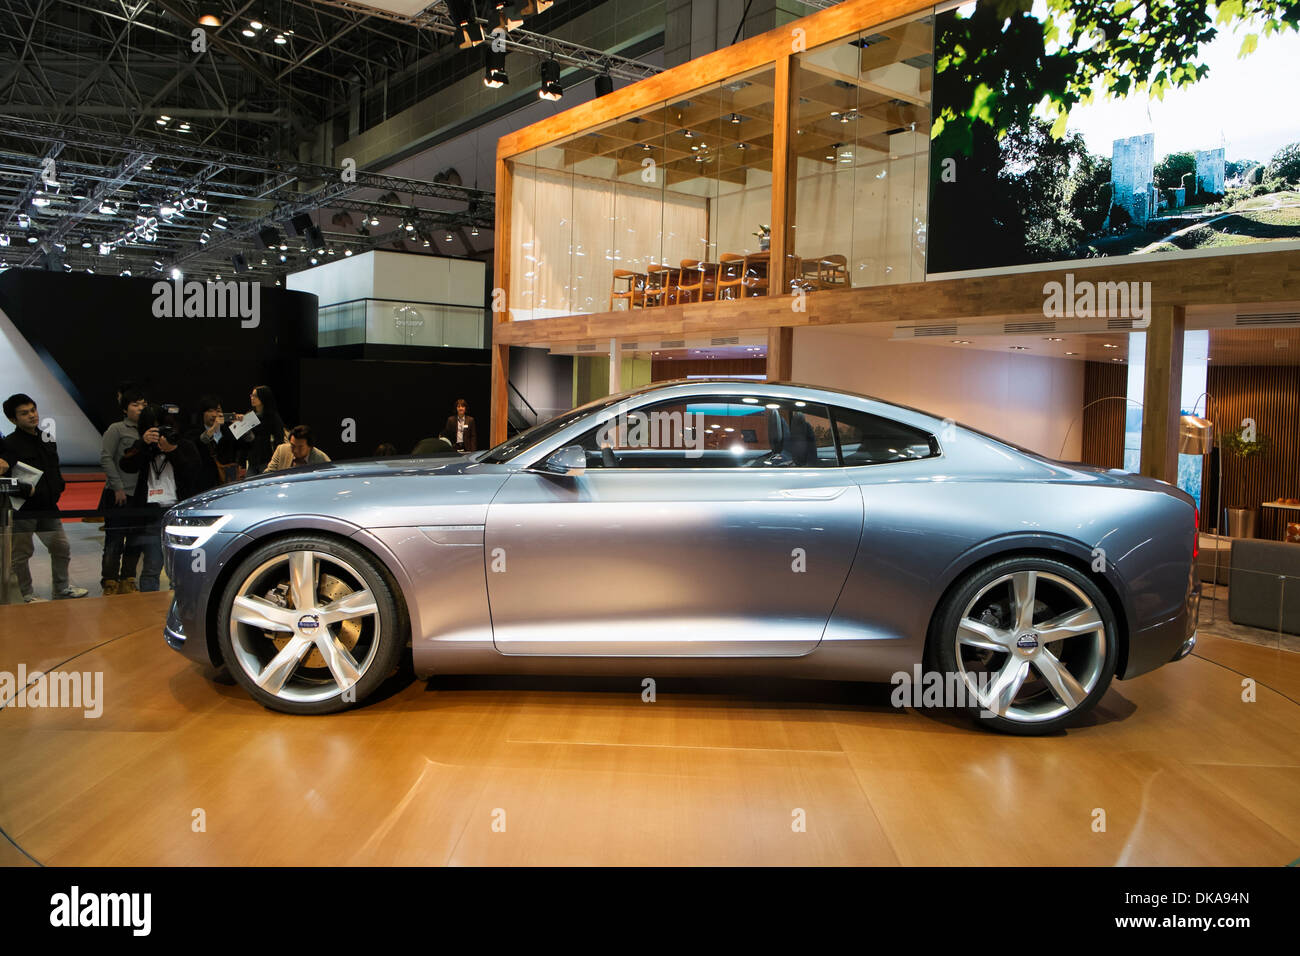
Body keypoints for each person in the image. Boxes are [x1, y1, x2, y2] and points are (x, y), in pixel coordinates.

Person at [3, 393, 88, 602]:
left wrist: (59, 485)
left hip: (49, 506)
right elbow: (5, 478)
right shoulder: (9, 444)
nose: (32, 415)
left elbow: (54, 467)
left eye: (33, 410)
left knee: (61, 547)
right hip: (22, 509)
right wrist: (23, 491)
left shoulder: (46, 438)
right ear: (13, 419)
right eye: (24, 413)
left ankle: (61, 588)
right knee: (21, 555)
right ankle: (26, 594)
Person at [119, 405, 201, 592]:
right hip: (151, 512)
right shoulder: (145, 447)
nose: (162, 434)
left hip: (178, 512)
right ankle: (148, 611)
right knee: (151, 567)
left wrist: (172, 450)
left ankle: (181, 610)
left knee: (181, 569)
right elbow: (126, 465)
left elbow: (193, 473)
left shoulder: (184, 445)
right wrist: (142, 444)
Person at [100, 387, 147, 594]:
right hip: (119, 493)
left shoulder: (149, 430)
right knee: (114, 540)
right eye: (135, 405)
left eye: (143, 405)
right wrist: (117, 487)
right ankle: (109, 580)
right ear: (125, 409)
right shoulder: (116, 429)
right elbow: (106, 458)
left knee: (136, 539)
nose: (140, 408)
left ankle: (128, 578)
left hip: (142, 495)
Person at [187, 395, 240, 491]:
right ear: (202, 413)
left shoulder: (229, 431)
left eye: (218, 411)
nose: (214, 415)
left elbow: (248, 444)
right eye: (210, 411)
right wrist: (214, 427)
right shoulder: (194, 432)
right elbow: (200, 442)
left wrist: (241, 425)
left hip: (228, 482)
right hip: (204, 484)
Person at [237, 385, 288, 475]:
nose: (252, 398)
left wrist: (276, 460)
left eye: (255, 396)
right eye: (251, 395)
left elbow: (279, 439)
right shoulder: (250, 416)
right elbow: (243, 440)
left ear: (263, 397)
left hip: (267, 460)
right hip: (252, 460)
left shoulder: (272, 416)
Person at [265, 425, 331, 472]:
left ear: (310, 446)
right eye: (292, 445)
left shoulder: (322, 461)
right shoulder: (281, 450)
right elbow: (269, 473)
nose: (295, 450)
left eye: (300, 447)